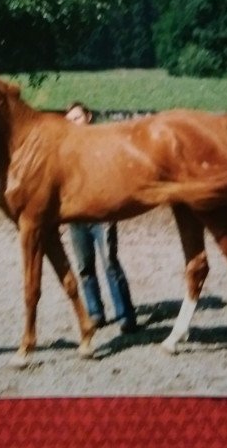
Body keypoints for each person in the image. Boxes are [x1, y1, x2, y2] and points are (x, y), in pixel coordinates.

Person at [65, 102, 139, 333]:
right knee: (84, 267)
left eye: (76, 118)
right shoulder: (66, 151)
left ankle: (125, 314)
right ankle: (95, 312)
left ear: (88, 117)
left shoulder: (103, 144)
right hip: (76, 216)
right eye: (69, 119)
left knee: (110, 264)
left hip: (102, 214)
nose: (73, 123)